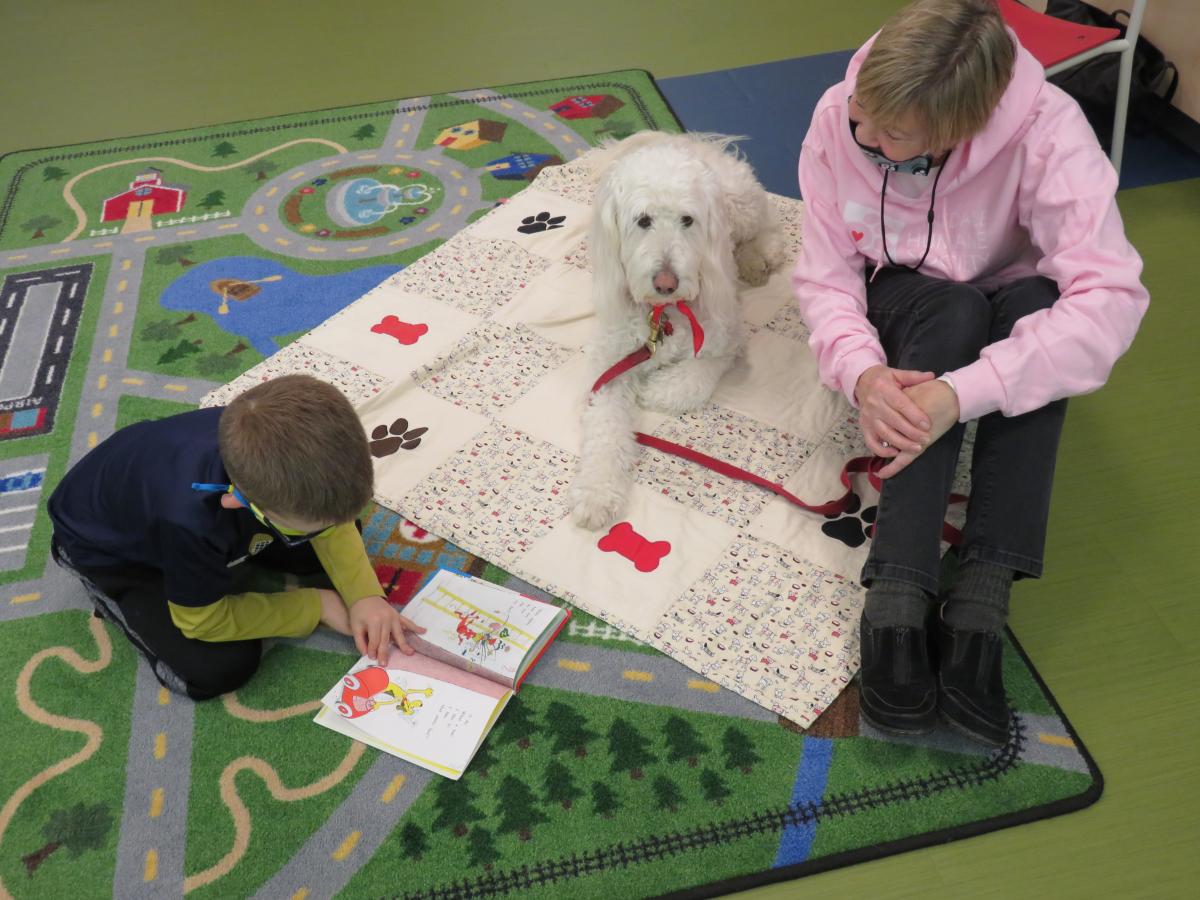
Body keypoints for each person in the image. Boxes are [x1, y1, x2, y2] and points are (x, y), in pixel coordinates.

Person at [793, 0, 1148, 744]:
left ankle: (983, 595)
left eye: (892, 137)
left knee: (1038, 312)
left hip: (1012, 291)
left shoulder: (1048, 132)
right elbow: (827, 278)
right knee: (953, 309)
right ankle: (897, 588)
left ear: (961, 132)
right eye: (864, 113)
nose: (864, 136)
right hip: (916, 297)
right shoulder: (839, 114)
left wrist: (966, 393)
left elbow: (1111, 299)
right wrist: (861, 373)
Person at [48, 374, 424, 700]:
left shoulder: (263, 441)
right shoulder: (188, 521)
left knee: (330, 537)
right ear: (238, 502)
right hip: (109, 548)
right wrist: (318, 607)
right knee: (221, 668)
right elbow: (201, 621)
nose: (334, 526)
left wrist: (365, 596)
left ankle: (279, 537)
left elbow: (334, 526)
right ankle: (104, 586)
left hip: (186, 497)